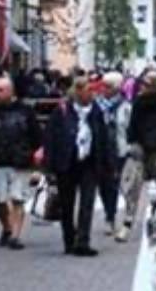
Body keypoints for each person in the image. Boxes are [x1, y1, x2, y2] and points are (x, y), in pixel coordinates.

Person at [44, 75, 110, 257]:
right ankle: (69, 239)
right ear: (78, 91)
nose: (93, 94)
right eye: (89, 90)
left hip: (89, 161)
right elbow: (50, 138)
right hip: (67, 162)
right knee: (67, 204)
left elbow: (103, 138)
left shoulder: (96, 111)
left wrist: (106, 164)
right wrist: (49, 166)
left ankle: (83, 241)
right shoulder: (63, 110)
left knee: (87, 202)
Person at [0, 76, 41, 250]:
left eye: (0, 90)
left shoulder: (26, 111)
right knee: (0, 200)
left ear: (11, 91)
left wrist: (38, 157)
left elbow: (36, 136)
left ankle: (15, 236)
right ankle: (6, 227)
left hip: (21, 161)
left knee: (18, 198)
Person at [117, 70, 156, 242]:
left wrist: (135, 141)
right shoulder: (145, 102)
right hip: (147, 148)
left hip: (154, 149)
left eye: (146, 84)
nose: (142, 87)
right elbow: (135, 125)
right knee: (136, 187)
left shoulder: (155, 102)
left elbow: (155, 127)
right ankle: (130, 222)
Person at [96, 71, 130, 237]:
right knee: (104, 185)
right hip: (100, 150)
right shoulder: (97, 104)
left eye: (108, 86)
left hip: (119, 150)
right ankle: (109, 214)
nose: (104, 89)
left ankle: (115, 217)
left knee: (116, 184)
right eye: (104, 86)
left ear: (117, 88)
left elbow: (130, 128)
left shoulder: (125, 106)